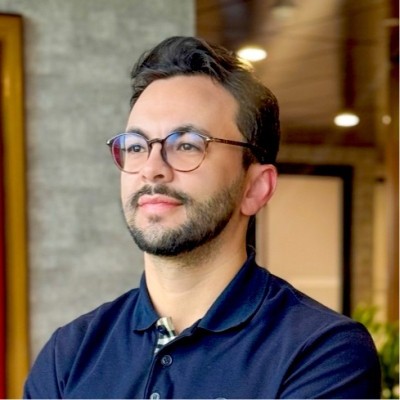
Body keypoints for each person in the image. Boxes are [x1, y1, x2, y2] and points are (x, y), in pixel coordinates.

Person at [23, 36, 381, 399]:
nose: (151, 168)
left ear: (255, 188)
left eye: (187, 145)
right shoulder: (69, 354)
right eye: (136, 146)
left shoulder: (322, 352)